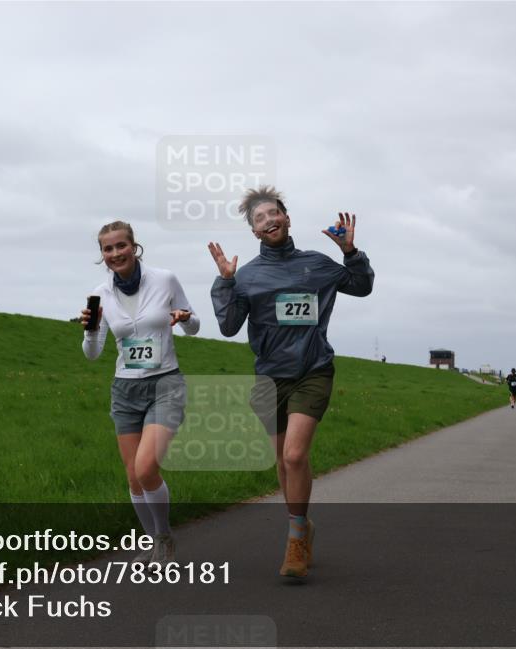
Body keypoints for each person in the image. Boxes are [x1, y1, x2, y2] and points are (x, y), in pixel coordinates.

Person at [208, 186, 375, 578]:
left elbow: (362, 286)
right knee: (283, 463)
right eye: (260, 219)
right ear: (254, 232)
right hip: (269, 378)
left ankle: (296, 536)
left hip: (313, 369)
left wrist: (350, 253)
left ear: (287, 218)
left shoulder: (317, 264)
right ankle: (302, 523)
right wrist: (226, 283)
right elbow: (230, 327)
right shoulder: (247, 276)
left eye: (274, 214)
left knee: (295, 456)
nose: (269, 221)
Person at [81, 221, 200, 566]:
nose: (116, 254)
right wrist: (90, 330)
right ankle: (152, 542)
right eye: (108, 249)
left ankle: (164, 539)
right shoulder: (100, 294)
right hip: (125, 389)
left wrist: (184, 317)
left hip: (165, 384)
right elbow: (92, 353)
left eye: (121, 246)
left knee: (147, 468)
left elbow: (194, 326)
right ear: (102, 255)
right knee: (133, 476)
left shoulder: (164, 279)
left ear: (135, 247)